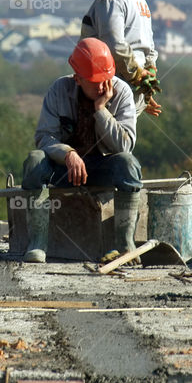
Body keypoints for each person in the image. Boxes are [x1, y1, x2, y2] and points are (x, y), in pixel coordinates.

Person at [21, 38, 143, 263]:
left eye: (106, 79)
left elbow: (124, 146)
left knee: (129, 164)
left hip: (102, 167)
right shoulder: (59, 90)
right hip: (64, 170)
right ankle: (37, 243)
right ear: (77, 79)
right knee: (34, 161)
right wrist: (68, 154)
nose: (102, 87)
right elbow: (44, 137)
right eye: (95, 82)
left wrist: (101, 109)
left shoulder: (122, 92)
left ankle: (126, 245)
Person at [79, 0, 162, 117]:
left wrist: (138, 78)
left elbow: (115, 46)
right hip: (132, 88)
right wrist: (145, 87)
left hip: (112, 91)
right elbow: (150, 50)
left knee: (103, 136)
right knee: (122, 135)